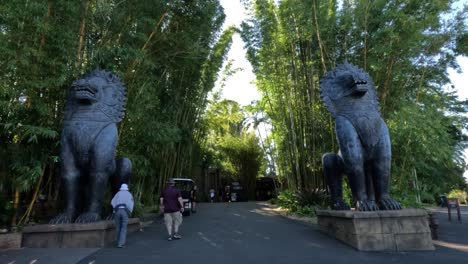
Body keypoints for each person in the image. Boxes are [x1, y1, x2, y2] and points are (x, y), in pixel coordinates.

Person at [111, 183, 134, 248]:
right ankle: (121, 244)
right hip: (124, 211)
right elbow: (131, 203)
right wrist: (129, 211)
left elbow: (112, 202)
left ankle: (117, 241)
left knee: (118, 227)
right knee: (123, 228)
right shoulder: (129, 194)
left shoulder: (118, 193)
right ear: (127, 188)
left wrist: (115, 208)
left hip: (117, 211)